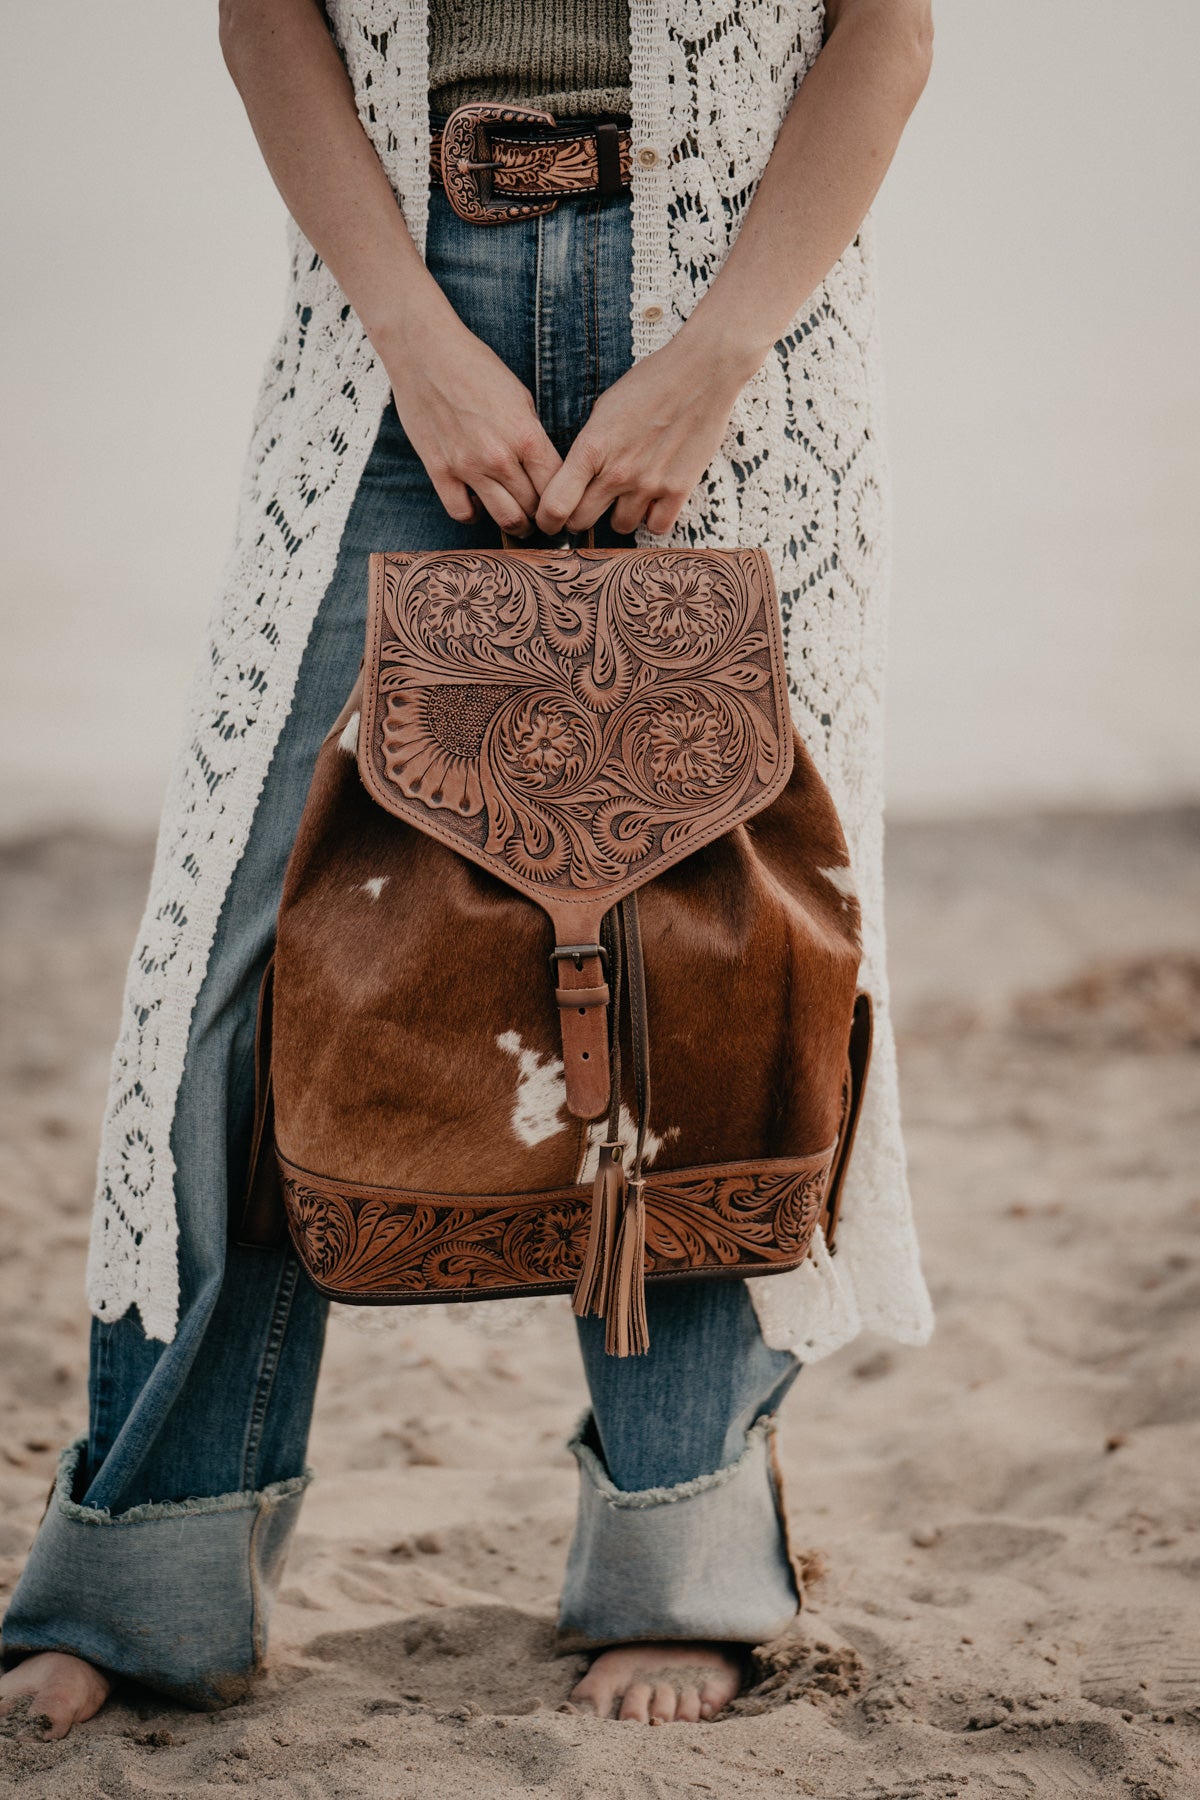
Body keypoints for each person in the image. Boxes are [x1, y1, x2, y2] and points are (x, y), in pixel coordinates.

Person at [0, 0, 934, 1737]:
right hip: (395, 312)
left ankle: (679, 1558)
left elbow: (886, 28)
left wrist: (721, 351)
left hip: (744, 319)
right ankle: (146, 1572)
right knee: (236, 952)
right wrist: (412, 333)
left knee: (710, 961)